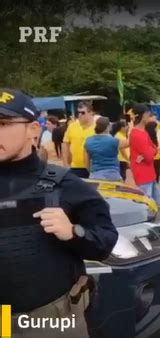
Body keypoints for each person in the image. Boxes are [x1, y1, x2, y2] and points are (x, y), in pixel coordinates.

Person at [0, 88, 118, 337]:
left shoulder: (64, 184)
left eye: (3, 123)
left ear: (33, 129)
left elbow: (105, 240)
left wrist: (73, 233)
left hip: (47, 321)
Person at [129, 104, 160, 208]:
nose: (149, 117)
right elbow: (149, 155)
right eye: (148, 115)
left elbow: (153, 148)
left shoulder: (142, 132)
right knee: (147, 206)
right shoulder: (137, 134)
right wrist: (150, 152)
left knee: (158, 205)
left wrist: (149, 152)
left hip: (149, 174)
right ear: (143, 116)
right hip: (143, 176)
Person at [84, 117, 126, 181]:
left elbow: (86, 162)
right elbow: (130, 142)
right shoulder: (113, 141)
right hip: (113, 174)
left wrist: (92, 171)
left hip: (96, 174)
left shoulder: (88, 141)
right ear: (107, 127)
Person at [62, 101, 95, 178]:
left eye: (83, 113)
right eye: (78, 113)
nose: (80, 115)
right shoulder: (72, 127)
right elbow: (65, 144)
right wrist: (65, 164)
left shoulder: (97, 128)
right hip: (75, 167)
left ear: (91, 113)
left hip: (92, 167)